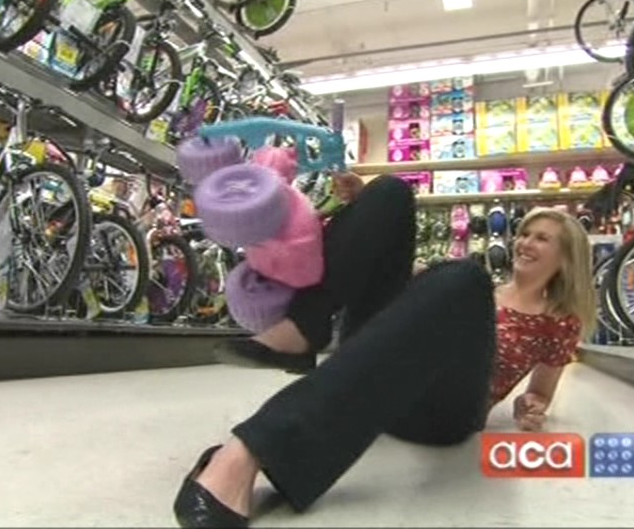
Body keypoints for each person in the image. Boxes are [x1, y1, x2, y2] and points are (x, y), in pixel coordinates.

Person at [173, 173, 597, 528]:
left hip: (445, 415)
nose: (525, 243)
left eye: (542, 239)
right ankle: (304, 326)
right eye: (525, 233)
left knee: (466, 278)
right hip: (389, 372)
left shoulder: (556, 321)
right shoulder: (471, 288)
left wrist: (530, 405)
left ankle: (253, 449)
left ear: (566, 258)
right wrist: (363, 219)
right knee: (390, 192)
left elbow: (539, 392)